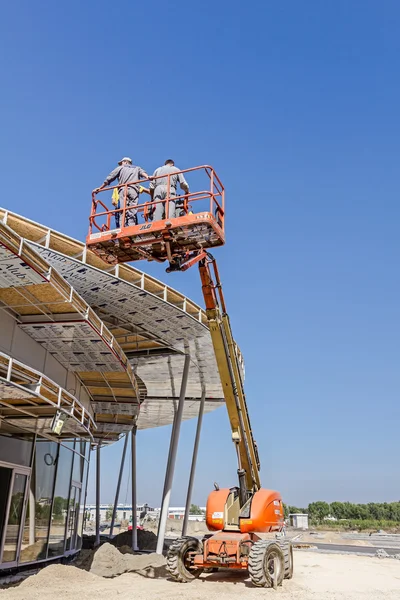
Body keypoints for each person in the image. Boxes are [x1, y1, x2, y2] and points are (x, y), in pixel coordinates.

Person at [95, 157, 149, 227]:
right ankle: (131, 226)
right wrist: (148, 177)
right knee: (133, 209)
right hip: (134, 190)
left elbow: (110, 177)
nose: (121, 164)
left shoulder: (121, 168)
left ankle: (122, 226)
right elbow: (144, 174)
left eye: (122, 163)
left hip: (123, 190)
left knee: (123, 210)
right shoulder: (137, 168)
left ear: (126, 162)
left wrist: (100, 188)